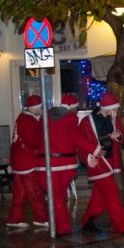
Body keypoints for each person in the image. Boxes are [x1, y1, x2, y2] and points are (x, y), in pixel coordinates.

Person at [35, 94, 102, 236]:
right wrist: (94, 150)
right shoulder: (70, 118)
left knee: (55, 196)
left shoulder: (44, 117)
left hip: (44, 163)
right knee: (58, 196)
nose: (77, 112)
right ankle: (63, 228)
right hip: (63, 164)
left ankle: (60, 226)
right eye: (76, 109)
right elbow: (75, 137)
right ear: (73, 108)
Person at [78, 92, 124, 234]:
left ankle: (87, 220)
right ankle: (121, 227)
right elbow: (81, 143)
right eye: (115, 109)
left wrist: (119, 137)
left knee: (99, 196)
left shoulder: (115, 119)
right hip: (98, 162)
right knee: (112, 193)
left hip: (112, 162)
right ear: (106, 107)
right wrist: (87, 157)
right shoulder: (87, 122)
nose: (117, 111)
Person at [6, 95, 48, 228]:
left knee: (20, 193)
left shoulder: (21, 118)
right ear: (35, 108)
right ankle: (41, 218)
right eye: (40, 108)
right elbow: (33, 142)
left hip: (18, 161)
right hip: (27, 162)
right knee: (35, 192)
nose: (41, 110)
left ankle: (14, 218)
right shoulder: (31, 122)